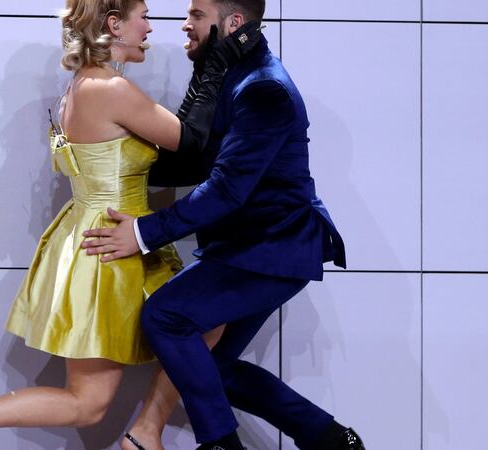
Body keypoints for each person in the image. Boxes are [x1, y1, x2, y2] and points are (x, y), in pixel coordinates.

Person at [0, 1, 262, 449]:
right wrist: (215, 64)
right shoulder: (109, 88)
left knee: (193, 329)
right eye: (142, 16)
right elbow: (191, 142)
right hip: (112, 249)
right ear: (114, 24)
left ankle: (143, 433)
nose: (151, 27)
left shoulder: (80, 87)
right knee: (95, 398)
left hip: (108, 240)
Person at [81, 1, 367, 449]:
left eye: (196, 14)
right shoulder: (229, 72)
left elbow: (226, 189)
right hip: (248, 248)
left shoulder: (263, 88)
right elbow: (195, 157)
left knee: (166, 317)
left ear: (233, 23)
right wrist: (110, 168)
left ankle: (221, 444)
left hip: (272, 249)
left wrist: (142, 233)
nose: (184, 24)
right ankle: (330, 439)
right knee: (208, 366)